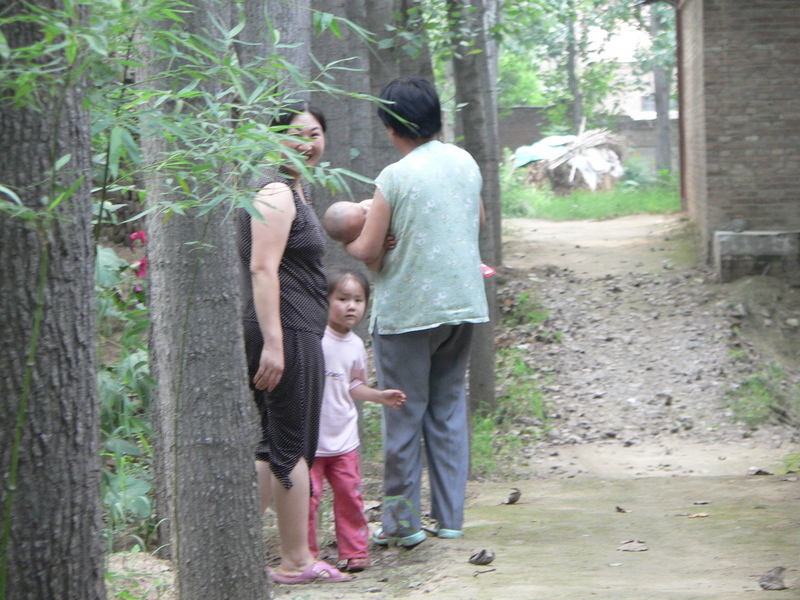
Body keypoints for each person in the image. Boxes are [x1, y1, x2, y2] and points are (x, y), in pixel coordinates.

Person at [345, 77, 489, 546]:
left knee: (404, 415)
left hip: (408, 311)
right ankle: (449, 520)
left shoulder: (395, 176)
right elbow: (478, 220)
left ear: (391, 126)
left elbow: (368, 249)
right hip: (463, 305)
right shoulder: (464, 162)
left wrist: (354, 235)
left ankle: (403, 526)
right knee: (447, 410)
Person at [237, 101, 351, 584]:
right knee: (292, 446)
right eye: (297, 134)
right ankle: (296, 562)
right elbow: (262, 268)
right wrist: (274, 342)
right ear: (274, 139)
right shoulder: (277, 193)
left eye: (316, 133)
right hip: (286, 330)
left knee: (274, 446)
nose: (308, 142)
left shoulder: (297, 193)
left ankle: (232, 540)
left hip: (296, 328)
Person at [308, 269, 406, 572]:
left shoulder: (354, 345)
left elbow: (353, 385)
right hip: (310, 442)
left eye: (358, 300)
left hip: (344, 439)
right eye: (342, 299)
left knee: (350, 496)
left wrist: (380, 396)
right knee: (306, 501)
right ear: (325, 300)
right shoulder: (313, 338)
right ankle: (305, 554)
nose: (351, 306)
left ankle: (355, 552)